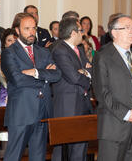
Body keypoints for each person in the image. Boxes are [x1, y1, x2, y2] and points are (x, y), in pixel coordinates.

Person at [1, 13, 61, 161]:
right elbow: (18, 80)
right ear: (17, 30)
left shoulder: (44, 51)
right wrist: (44, 77)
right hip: (22, 113)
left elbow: (57, 74)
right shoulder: (9, 53)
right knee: (13, 156)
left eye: (33, 28)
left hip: (43, 111)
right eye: (26, 28)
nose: (31, 32)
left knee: (39, 157)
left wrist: (35, 72)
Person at [92, 14, 132, 161]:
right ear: (114, 33)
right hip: (114, 126)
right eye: (127, 28)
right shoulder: (103, 56)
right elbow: (102, 93)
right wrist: (126, 114)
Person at [51, 18, 93, 161]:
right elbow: (73, 77)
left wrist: (85, 72)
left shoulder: (80, 49)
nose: (83, 33)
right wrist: (85, 73)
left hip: (83, 102)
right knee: (62, 148)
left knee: (80, 147)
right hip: (67, 104)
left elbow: (91, 70)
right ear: (73, 32)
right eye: (81, 30)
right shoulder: (60, 50)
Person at [0, 28, 17, 107]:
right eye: (9, 40)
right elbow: (2, 79)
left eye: (15, 40)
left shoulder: (23, 59)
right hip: (5, 94)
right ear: (4, 43)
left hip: (21, 94)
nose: (12, 43)